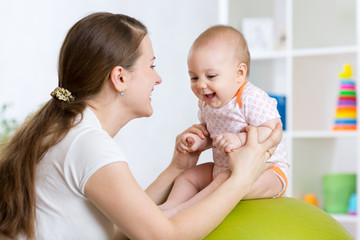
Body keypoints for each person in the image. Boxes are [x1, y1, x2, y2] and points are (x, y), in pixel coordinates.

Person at [0, 13, 282, 240]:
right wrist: (241, 180)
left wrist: (178, 168)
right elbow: (163, 236)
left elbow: (124, 227)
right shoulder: (88, 145)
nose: (158, 79)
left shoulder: (69, 131)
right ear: (120, 78)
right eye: (152, 65)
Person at [159, 25, 289, 218]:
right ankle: (169, 206)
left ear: (239, 74)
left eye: (211, 76)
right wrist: (198, 141)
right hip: (225, 169)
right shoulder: (206, 105)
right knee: (188, 177)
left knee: (225, 182)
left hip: (266, 171)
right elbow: (213, 135)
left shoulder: (250, 98)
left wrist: (240, 139)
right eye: (194, 77)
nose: (201, 85)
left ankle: (182, 211)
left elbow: (272, 131)